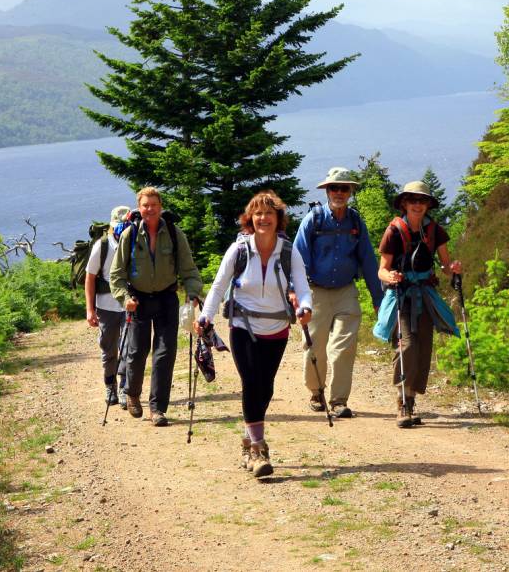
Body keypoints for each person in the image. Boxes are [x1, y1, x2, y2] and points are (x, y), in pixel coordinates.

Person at [198, 190, 312, 478]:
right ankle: (259, 448)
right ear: (250, 219)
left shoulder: (288, 252)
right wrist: (206, 316)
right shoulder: (238, 250)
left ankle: (248, 437)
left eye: (269, 214)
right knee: (251, 382)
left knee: (267, 387)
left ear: (278, 219)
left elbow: (302, 286)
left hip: (277, 328)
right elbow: (218, 285)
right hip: (242, 326)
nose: (263, 218)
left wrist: (306, 307)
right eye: (258, 214)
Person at [293, 167, 384, 418]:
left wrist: (379, 299)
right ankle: (316, 391)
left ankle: (338, 400)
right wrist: (297, 294)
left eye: (344, 188)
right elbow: (298, 259)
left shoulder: (356, 222)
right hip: (316, 292)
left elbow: (367, 260)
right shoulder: (313, 220)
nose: (339, 192)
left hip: (346, 291)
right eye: (335, 188)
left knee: (344, 347)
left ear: (350, 191)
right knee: (314, 346)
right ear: (327, 190)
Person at [109, 187, 204, 427]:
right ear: (139, 209)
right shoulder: (130, 235)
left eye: (154, 204)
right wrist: (124, 298)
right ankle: (132, 393)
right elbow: (116, 275)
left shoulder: (174, 233)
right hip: (138, 300)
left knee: (165, 353)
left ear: (160, 206)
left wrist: (192, 293)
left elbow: (189, 270)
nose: (150, 209)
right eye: (145, 205)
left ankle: (158, 408)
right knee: (136, 351)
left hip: (166, 299)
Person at [376, 181, 461, 428]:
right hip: (401, 296)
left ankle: (410, 401)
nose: (417, 204)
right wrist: (390, 277)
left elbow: (445, 266)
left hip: (424, 294)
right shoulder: (394, 231)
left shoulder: (435, 231)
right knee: (407, 346)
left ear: (427, 205)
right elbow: (381, 269)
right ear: (404, 203)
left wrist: (453, 269)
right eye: (412, 200)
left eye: (422, 201)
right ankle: (401, 402)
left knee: (423, 347)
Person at [85, 205, 130, 407]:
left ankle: (124, 388)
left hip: (130, 306)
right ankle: (109, 385)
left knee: (129, 349)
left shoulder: (134, 242)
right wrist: (90, 310)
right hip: (106, 306)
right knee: (109, 349)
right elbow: (90, 277)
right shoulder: (102, 246)